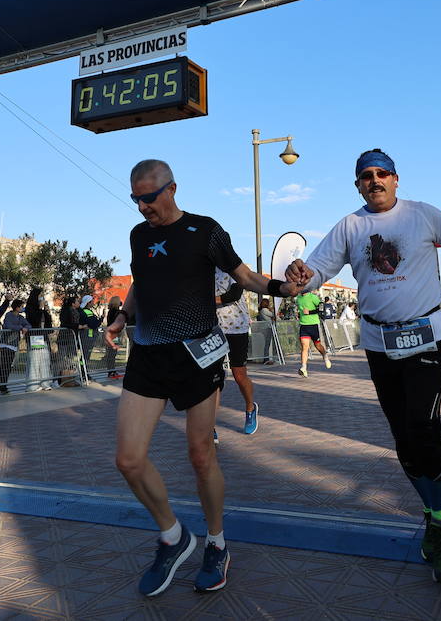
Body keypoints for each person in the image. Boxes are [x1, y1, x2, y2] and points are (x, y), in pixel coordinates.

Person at [285, 149, 441, 585]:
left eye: (382, 174)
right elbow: (319, 269)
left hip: (426, 335)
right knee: (402, 435)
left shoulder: (423, 215)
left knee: (423, 426)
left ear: (396, 179)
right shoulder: (350, 226)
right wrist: (301, 274)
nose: (374, 180)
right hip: (378, 341)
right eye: (366, 176)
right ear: (358, 184)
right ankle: (433, 510)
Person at [103, 159, 301, 597]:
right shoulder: (139, 235)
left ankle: (216, 543)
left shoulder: (206, 230)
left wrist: (284, 289)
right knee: (128, 460)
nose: (142, 207)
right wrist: (121, 317)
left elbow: (244, 276)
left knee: (200, 456)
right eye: (135, 199)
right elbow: (141, 282)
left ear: (172, 189)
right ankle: (173, 537)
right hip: (149, 356)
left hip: (198, 354)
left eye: (148, 198)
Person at [215, 268, 258, 437]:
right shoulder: (201, 268)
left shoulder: (232, 267)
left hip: (236, 327)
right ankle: (208, 426)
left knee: (239, 374)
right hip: (214, 329)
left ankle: (250, 408)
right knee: (211, 378)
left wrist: (207, 300)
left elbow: (233, 294)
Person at [294, 289, 332, 376]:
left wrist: (310, 312)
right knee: (304, 347)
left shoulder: (313, 297)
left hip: (313, 325)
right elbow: (301, 311)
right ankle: (303, 368)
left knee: (317, 345)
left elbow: (322, 308)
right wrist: (299, 315)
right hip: (303, 325)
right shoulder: (298, 298)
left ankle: (325, 356)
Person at [0, 298, 28, 394]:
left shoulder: (21, 317)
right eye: (21, 306)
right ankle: (1, 386)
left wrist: (25, 327)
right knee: (4, 365)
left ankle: (3, 385)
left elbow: (28, 324)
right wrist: (20, 327)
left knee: (8, 365)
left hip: (14, 344)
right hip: (6, 343)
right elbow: (8, 325)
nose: (23, 308)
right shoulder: (9, 315)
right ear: (17, 307)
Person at [101, 295, 125, 379]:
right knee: (112, 354)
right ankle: (111, 371)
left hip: (112, 334)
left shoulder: (111, 311)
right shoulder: (115, 312)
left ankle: (112, 370)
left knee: (112, 354)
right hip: (113, 334)